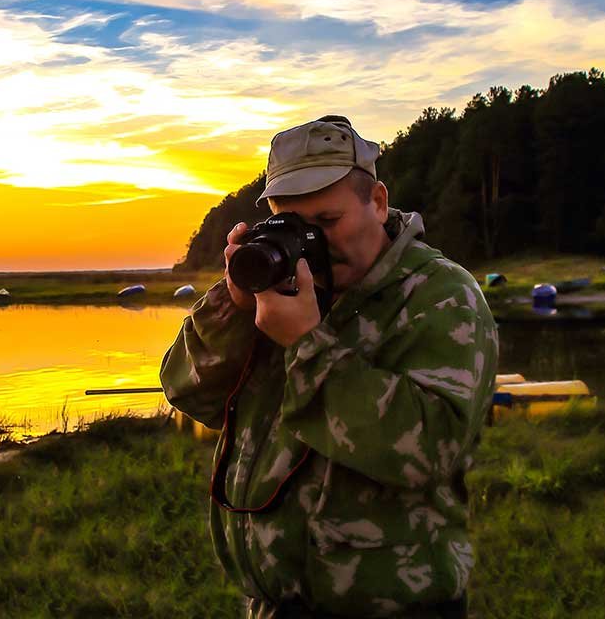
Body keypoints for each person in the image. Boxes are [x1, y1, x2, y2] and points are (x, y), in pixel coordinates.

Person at [160, 116, 498, 618]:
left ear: (378, 202)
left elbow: (429, 448)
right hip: (273, 606)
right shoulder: (283, 291)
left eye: (327, 222)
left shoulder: (440, 297)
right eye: (293, 227)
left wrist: (305, 343)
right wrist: (232, 307)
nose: (311, 244)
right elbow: (191, 396)